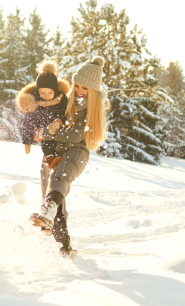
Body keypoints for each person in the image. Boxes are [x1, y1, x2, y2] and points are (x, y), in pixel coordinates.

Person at [30, 56, 108, 259]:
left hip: (77, 152)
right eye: (77, 86)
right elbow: (48, 102)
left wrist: (47, 133)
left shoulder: (93, 108)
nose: (80, 92)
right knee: (52, 188)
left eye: (85, 89)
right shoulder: (68, 100)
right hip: (59, 149)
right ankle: (64, 245)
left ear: (93, 90)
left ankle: (47, 211)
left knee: (59, 179)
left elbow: (75, 136)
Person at [16, 61, 69, 169]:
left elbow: (64, 113)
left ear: (55, 91)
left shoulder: (61, 100)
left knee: (59, 146)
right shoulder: (34, 104)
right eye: (42, 93)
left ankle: (58, 161)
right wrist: (27, 141)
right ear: (38, 92)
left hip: (59, 132)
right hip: (44, 133)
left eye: (50, 93)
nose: (46, 96)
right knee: (47, 143)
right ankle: (51, 159)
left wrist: (58, 121)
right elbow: (28, 122)